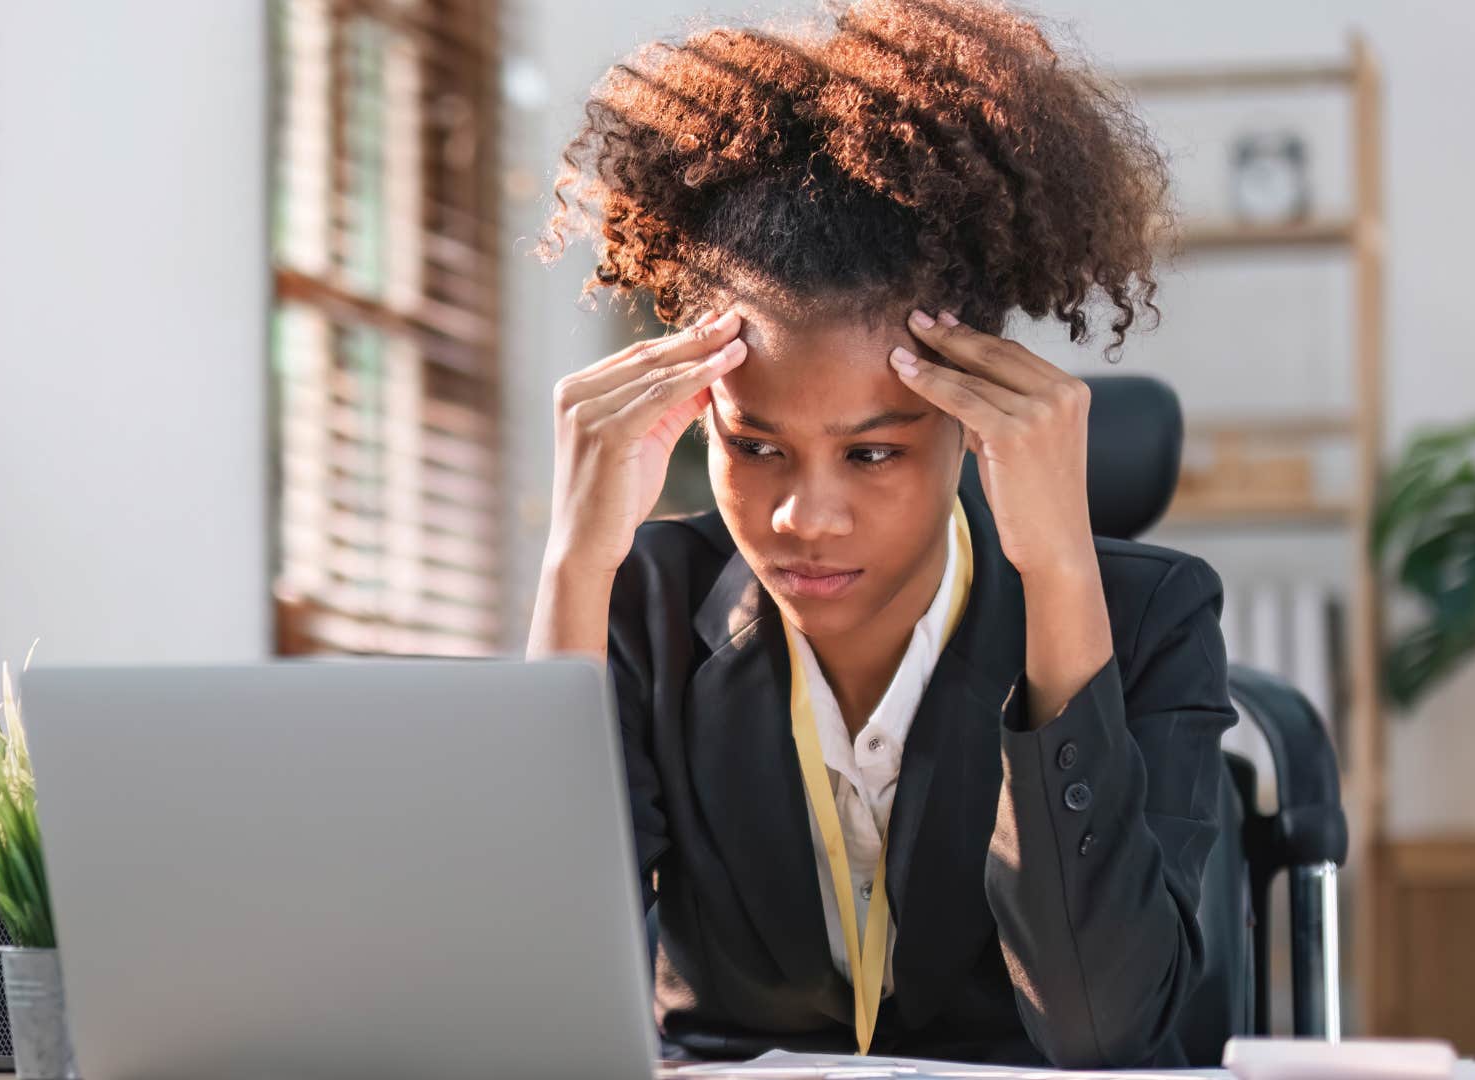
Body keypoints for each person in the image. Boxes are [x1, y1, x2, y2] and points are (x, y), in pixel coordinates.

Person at [524, 0, 1239, 1069]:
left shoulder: (1146, 621)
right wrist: (575, 565)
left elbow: (1112, 1038)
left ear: (969, 423)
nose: (803, 518)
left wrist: (1057, 573)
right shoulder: (645, 607)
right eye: (755, 446)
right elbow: (532, 1007)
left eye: (871, 453)